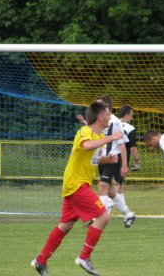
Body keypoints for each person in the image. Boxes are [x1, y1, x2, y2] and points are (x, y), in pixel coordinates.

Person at [31, 101, 123, 276]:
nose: (111, 116)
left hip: (79, 184)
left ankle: (40, 261)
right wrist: (112, 138)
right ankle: (84, 257)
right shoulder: (85, 132)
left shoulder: (98, 136)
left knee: (65, 226)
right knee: (103, 216)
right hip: (76, 184)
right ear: (100, 116)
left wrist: (107, 160)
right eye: (109, 113)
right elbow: (86, 146)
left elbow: (92, 158)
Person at [76, 95, 137, 228]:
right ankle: (128, 214)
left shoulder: (114, 122)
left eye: (100, 105)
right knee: (110, 192)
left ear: (107, 107)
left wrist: (124, 165)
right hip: (102, 159)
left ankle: (98, 217)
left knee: (102, 187)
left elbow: (122, 144)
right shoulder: (100, 121)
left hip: (113, 159)